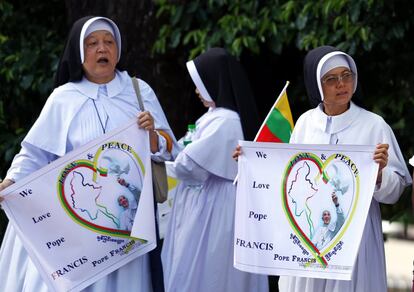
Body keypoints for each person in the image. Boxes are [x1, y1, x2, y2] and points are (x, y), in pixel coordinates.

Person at [0, 16, 178, 291]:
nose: (102, 49)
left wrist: (153, 135)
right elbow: (35, 154)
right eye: (92, 43)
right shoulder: (63, 97)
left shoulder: (139, 91)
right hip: (77, 218)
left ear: (118, 50)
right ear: (79, 52)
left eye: (109, 42)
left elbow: (169, 149)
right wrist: (9, 184)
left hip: (127, 219)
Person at [278, 45, 411, 292]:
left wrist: (380, 174)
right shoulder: (305, 124)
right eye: (331, 79)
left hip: (355, 240)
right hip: (310, 237)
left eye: (346, 75)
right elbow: (289, 177)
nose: (341, 84)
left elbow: (396, 191)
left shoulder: (373, 126)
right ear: (317, 85)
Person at [161, 48, 269, 292]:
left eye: (200, 84)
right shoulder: (213, 116)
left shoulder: (226, 121)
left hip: (215, 208)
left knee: (209, 270)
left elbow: (189, 166)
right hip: (206, 203)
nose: (197, 92)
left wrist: (161, 164)